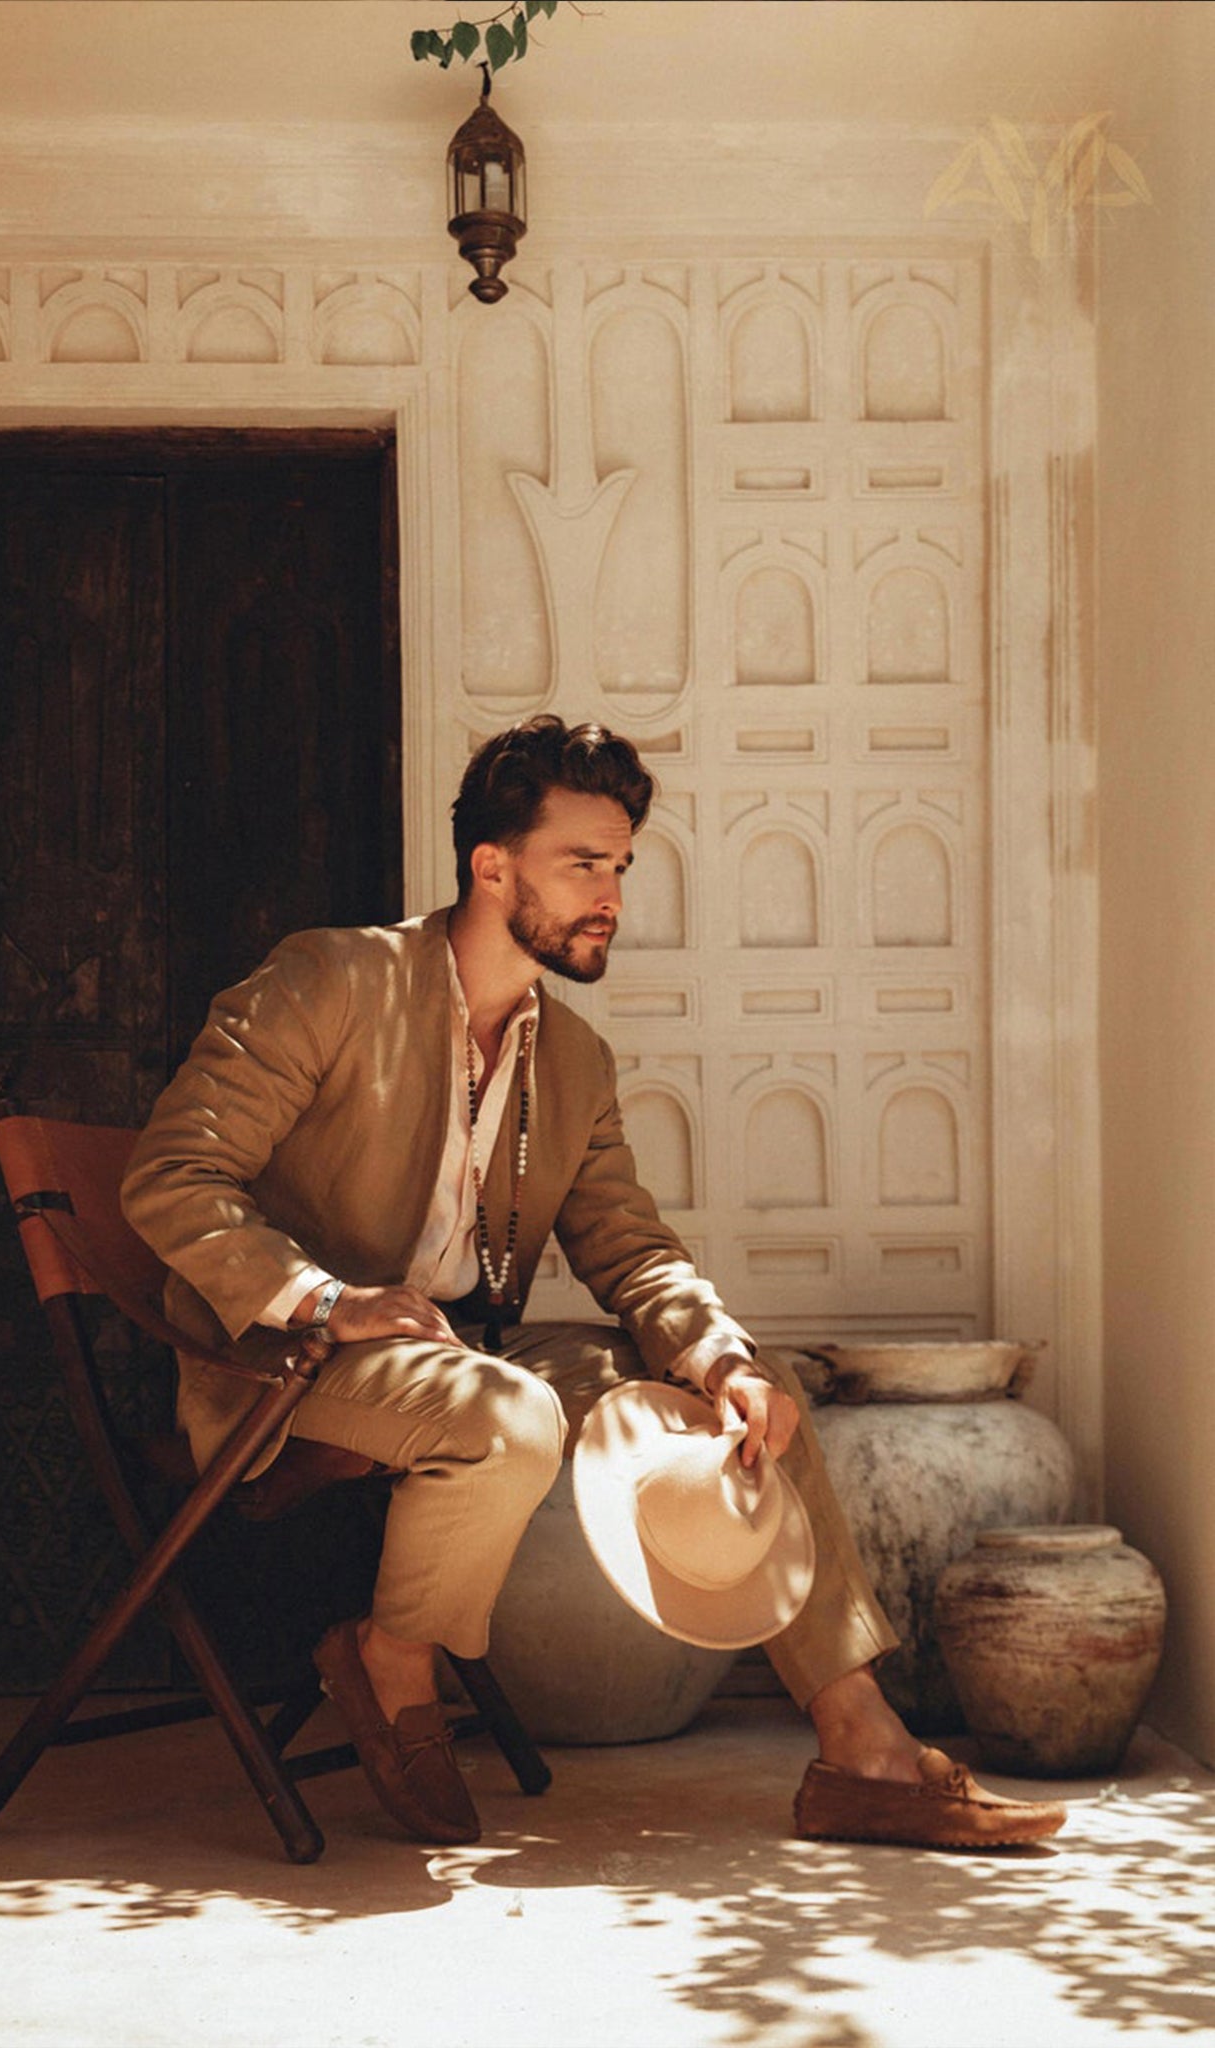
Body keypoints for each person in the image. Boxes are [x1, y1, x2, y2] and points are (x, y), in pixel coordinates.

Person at [122, 716, 1066, 1851]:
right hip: (285, 1357)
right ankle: (390, 1658)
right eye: (582, 863)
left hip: (457, 1357)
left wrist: (716, 1352)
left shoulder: (573, 1060)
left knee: (748, 1393)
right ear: (492, 865)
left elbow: (633, 1249)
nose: (610, 893)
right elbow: (172, 1175)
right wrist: (328, 1297)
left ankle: (863, 1746)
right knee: (508, 1410)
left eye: (620, 865)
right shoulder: (336, 977)